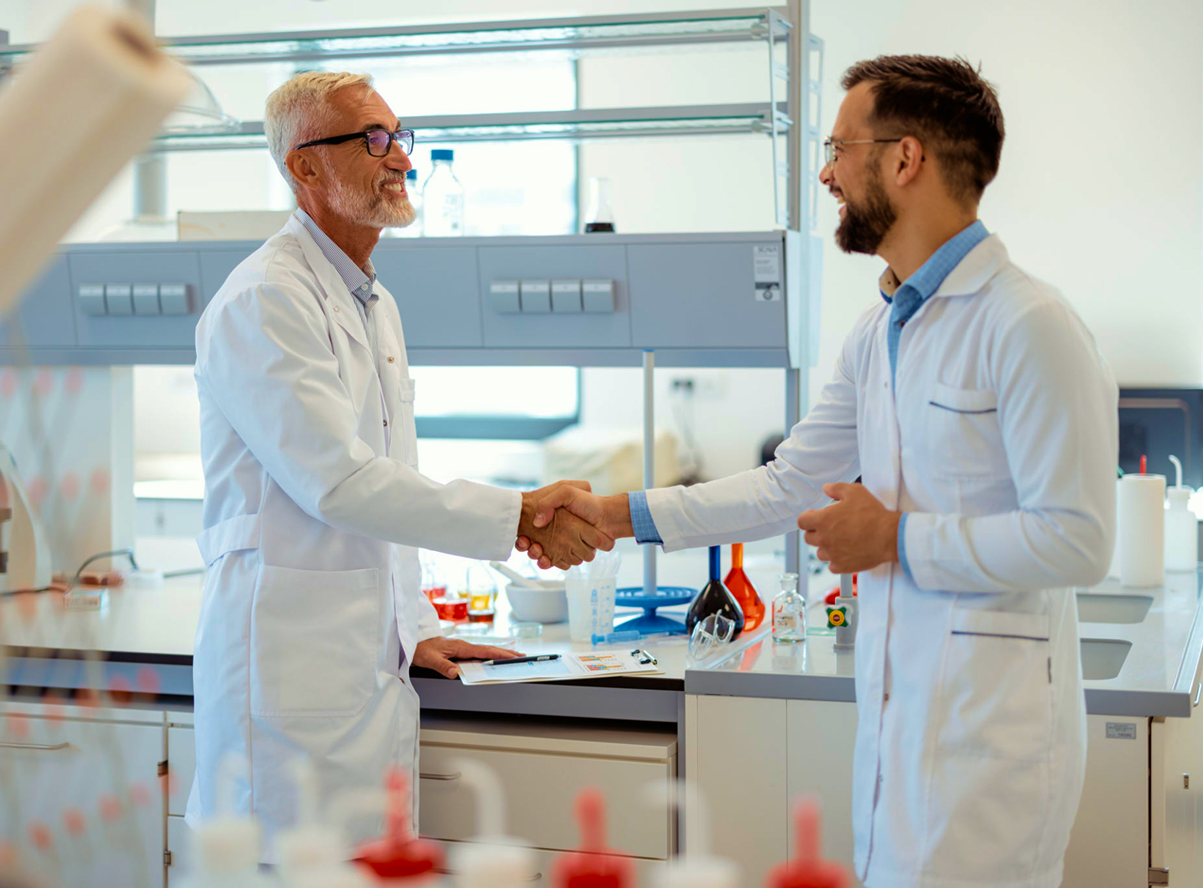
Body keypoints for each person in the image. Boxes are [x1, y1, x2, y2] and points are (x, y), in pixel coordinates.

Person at [521, 55, 1116, 888]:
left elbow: (1079, 540)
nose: (828, 174)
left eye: (839, 149)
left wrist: (896, 539)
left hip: (994, 756)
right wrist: (609, 511)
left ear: (905, 159)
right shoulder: (879, 335)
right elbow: (784, 484)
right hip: (896, 742)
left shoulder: (1029, 325)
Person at [188, 71, 611, 857]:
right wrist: (516, 514)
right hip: (286, 694)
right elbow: (339, 483)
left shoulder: (372, 301)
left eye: (399, 137)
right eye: (372, 140)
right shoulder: (265, 301)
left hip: (358, 680)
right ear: (304, 168)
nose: (401, 160)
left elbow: (384, 476)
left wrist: (410, 626)